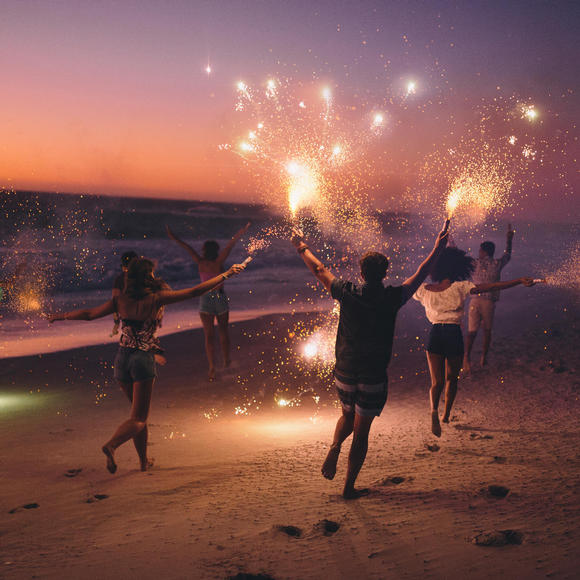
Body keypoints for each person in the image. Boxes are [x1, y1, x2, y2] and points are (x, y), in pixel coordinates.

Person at [291, 220, 450, 499]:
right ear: (385, 273)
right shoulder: (393, 297)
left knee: (346, 415)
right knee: (361, 433)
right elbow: (422, 272)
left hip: (345, 369)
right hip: (373, 374)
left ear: (361, 272)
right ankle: (348, 488)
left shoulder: (346, 292)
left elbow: (319, 269)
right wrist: (438, 247)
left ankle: (334, 449)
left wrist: (301, 246)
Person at [47, 257, 246, 474]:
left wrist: (60, 316)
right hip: (141, 360)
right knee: (139, 418)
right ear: (147, 276)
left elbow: (88, 315)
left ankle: (143, 462)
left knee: (137, 416)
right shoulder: (156, 298)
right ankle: (111, 445)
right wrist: (226, 274)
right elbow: (194, 292)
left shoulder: (121, 300)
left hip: (121, 360)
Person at [413, 246, 534, 438]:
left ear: (436, 268)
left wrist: (425, 265)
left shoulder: (424, 290)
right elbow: (492, 287)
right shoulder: (461, 287)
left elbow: (407, 284)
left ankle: (434, 412)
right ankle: (445, 416)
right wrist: (518, 281)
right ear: (458, 267)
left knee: (436, 382)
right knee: (452, 378)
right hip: (453, 334)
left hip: (435, 334)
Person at [166, 222, 250, 380]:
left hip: (205, 299)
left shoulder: (200, 262)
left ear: (204, 251)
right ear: (216, 251)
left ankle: (212, 367)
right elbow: (231, 244)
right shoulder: (218, 262)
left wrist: (172, 236)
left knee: (209, 336)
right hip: (220, 297)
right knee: (223, 332)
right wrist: (242, 230)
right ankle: (226, 360)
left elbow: (186, 247)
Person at [464, 224, 514, 372]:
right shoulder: (496, 264)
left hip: (475, 300)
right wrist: (509, 240)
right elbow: (508, 255)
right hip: (488, 302)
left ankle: (467, 357)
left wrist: (449, 240)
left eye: (480, 250)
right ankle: (483, 357)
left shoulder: (475, 263)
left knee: (472, 331)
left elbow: (460, 257)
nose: (478, 252)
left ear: (484, 251)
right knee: (486, 330)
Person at [111, 251, 138, 336]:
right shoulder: (144, 277)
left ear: (123, 266)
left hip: (127, 316)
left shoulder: (119, 279)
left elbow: (115, 301)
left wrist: (116, 323)